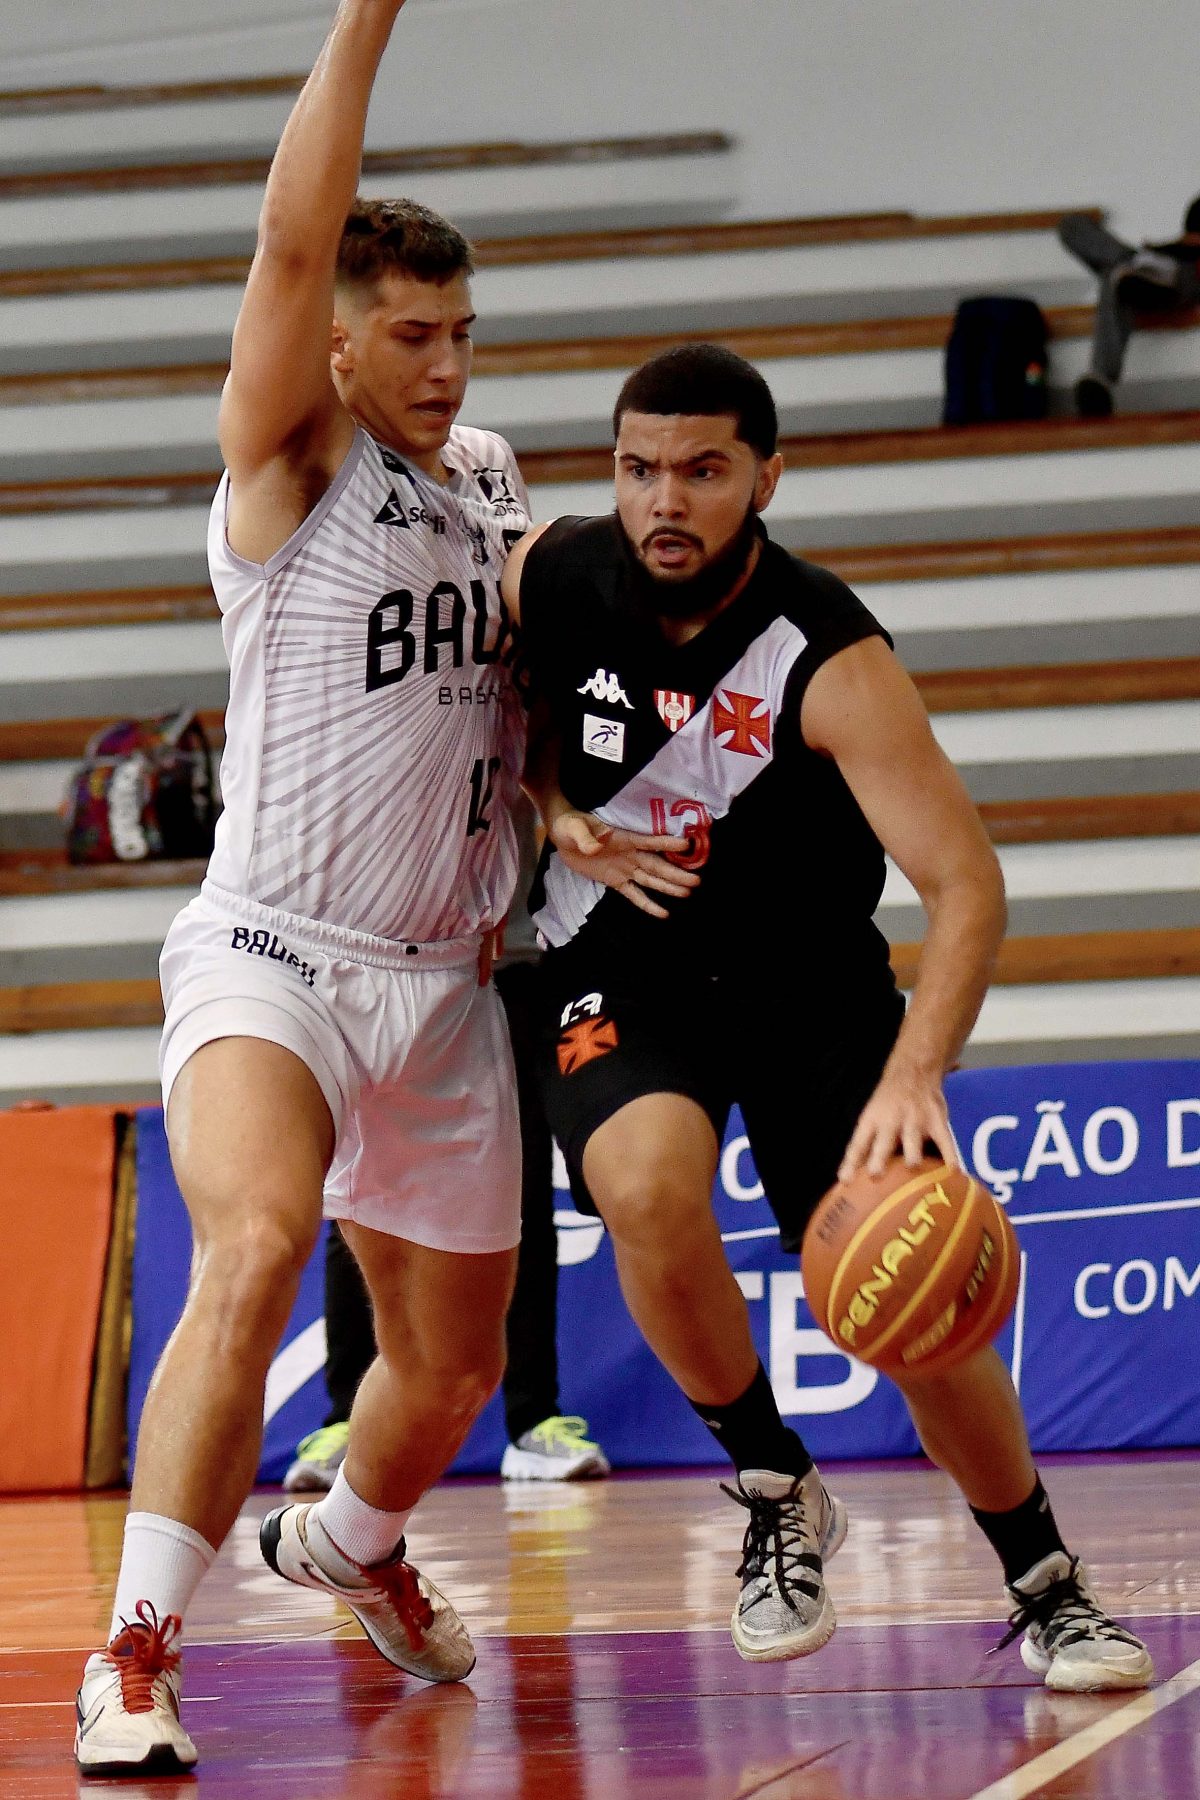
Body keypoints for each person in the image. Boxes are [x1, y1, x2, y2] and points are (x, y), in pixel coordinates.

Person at [73, 0, 590, 1774]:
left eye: (462, 334)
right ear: (342, 347)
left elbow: (501, 697)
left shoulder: (495, 478)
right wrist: (365, 23)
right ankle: (135, 1654)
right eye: (412, 337)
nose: (444, 367)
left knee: (451, 1371)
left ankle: (355, 1545)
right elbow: (294, 239)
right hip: (273, 952)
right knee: (257, 1244)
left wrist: (564, 807)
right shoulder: (293, 457)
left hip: (446, 982)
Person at [500, 342, 1154, 1689]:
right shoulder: (551, 573)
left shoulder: (829, 651)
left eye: (702, 470)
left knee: (913, 1284)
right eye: (637, 469)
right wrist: (552, 808)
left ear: (767, 479)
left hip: (810, 990)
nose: (663, 500)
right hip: (622, 964)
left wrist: (918, 1074)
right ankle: (773, 1484)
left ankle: (1046, 1580)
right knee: (645, 1188)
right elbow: (496, 721)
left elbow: (966, 885)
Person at [285, 803, 611, 1492]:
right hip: (370, 961)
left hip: (505, 962)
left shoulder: (508, 721)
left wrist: (556, 808)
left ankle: (534, 1420)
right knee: (360, 1190)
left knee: (520, 1194)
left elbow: (545, 769)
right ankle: (347, 1419)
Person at [1059, 197, 1200, 416]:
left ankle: (1100, 379)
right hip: (1150, 263)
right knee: (1072, 226)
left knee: (1116, 275)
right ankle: (1133, 268)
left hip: (1182, 274)